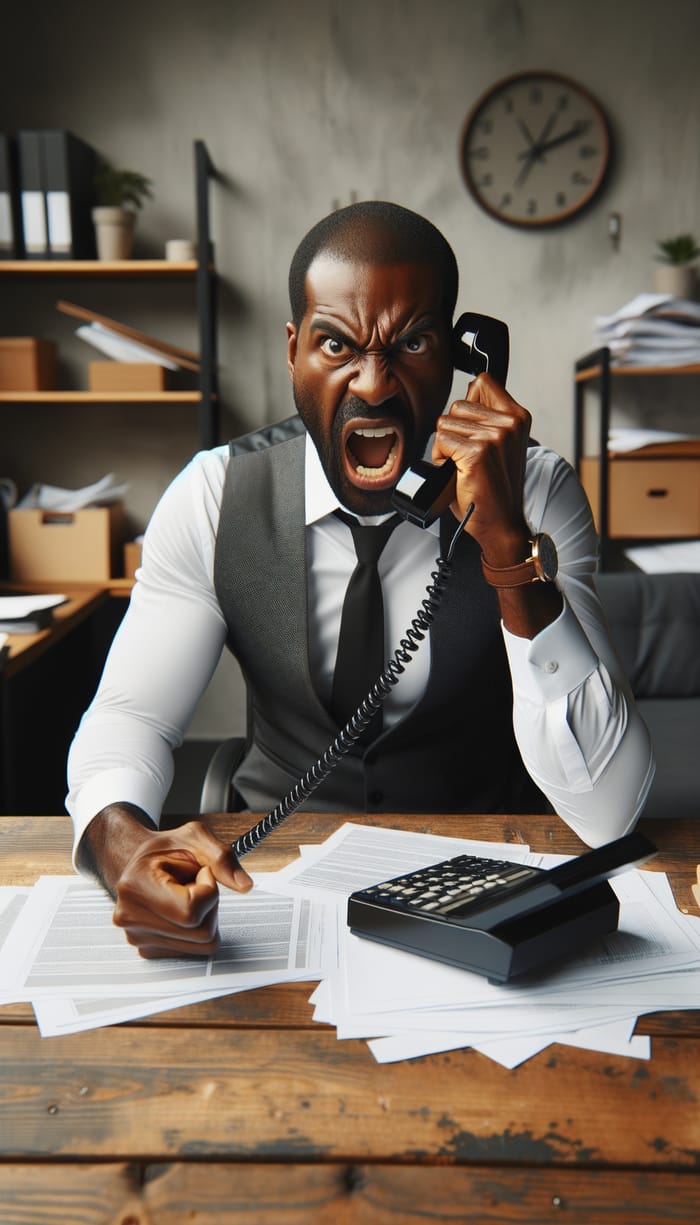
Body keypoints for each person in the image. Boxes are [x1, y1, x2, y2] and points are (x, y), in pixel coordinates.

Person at [67, 201, 654, 958]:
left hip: (484, 890)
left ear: (463, 358)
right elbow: (129, 719)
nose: (373, 385)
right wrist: (123, 847)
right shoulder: (214, 496)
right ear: (293, 352)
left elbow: (612, 808)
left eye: (412, 342)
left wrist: (506, 547)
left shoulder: (535, 493)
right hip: (271, 894)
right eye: (336, 343)